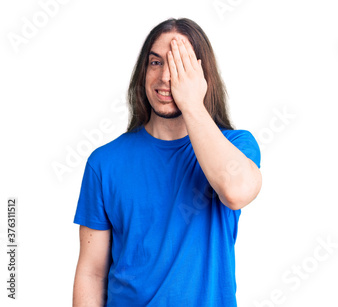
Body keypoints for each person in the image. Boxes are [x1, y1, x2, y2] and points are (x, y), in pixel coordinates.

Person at [72, 17, 262, 306]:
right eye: (156, 62)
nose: (165, 78)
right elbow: (92, 273)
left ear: (201, 77)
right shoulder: (104, 162)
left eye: (179, 66)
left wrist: (191, 103)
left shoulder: (236, 146)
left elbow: (236, 191)